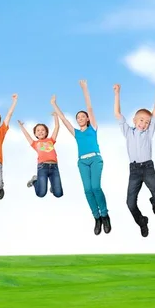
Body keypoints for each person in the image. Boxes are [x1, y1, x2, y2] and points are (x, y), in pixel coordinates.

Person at [52, 80, 110, 235]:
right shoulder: (76, 133)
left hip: (95, 159)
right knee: (87, 190)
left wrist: (85, 89)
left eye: (83, 116)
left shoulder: (93, 128)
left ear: (88, 119)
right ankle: (96, 217)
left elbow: (89, 108)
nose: (80, 118)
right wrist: (54, 104)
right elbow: (63, 119)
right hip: (82, 162)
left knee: (96, 187)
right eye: (78, 117)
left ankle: (105, 215)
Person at [114, 83, 155, 237]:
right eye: (141, 120)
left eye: (147, 122)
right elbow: (117, 114)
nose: (144, 124)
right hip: (134, 170)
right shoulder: (128, 132)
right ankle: (142, 222)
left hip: (148, 168)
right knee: (130, 203)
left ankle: (154, 202)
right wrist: (117, 93)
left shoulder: (149, 133)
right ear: (134, 120)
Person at [18, 108, 63, 199]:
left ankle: (54, 187)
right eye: (38, 130)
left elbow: (57, 127)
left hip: (54, 167)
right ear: (35, 134)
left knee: (59, 194)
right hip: (42, 167)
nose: (40, 131)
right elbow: (27, 136)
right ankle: (35, 180)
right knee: (41, 194)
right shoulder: (35, 143)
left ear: (46, 132)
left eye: (43, 130)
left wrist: (55, 116)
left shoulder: (51, 140)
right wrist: (21, 127)